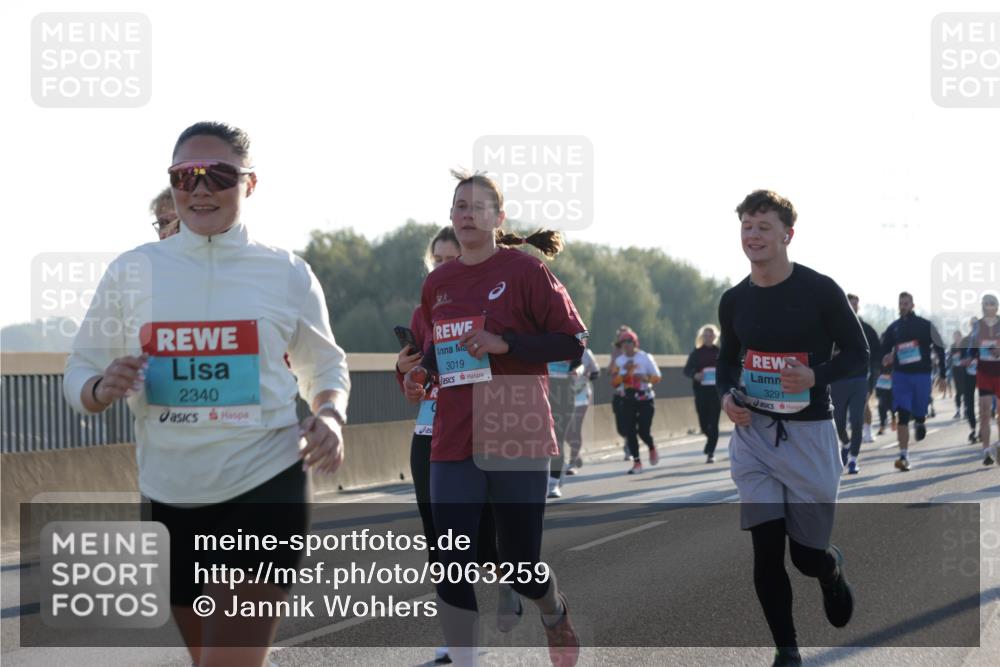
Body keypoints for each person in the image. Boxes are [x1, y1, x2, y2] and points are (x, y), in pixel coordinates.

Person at [64, 122, 350, 667]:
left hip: (265, 480)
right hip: (170, 490)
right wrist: (102, 388)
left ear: (250, 184)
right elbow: (79, 368)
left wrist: (330, 414)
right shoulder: (133, 270)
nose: (199, 189)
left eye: (217, 175)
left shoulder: (287, 272)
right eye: (183, 176)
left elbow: (324, 363)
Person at [402, 170, 586, 667]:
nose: (466, 214)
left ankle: (552, 609)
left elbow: (572, 342)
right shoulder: (438, 283)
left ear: (498, 217)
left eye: (477, 206)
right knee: (451, 558)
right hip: (453, 434)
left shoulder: (525, 272)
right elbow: (438, 354)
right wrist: (422, 377)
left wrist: (506, 344)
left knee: (521, 566)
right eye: (459, 206)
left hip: (516, 426)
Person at [717, 190, 864, 666]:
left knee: (804, 557)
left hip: (809, 436)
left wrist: (816, 375)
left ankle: (829, 568)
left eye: (763, 227)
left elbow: (860, 354)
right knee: (765, 552)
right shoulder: (735, 299)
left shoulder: (820, 290)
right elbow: (725, 362)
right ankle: (787, 650)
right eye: (746, 226)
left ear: (787, 234)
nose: (752, 236)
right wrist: (726, 397)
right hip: (755, 437)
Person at [394, 226, 521, 662]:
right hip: (430, 433)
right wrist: (404, 372)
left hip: (480, 431)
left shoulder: (494, 304)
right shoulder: (423, 311)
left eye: (453, 260)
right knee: (441, 544)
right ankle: (462, 642)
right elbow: (412, 377)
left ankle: (511, 575)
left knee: (483, 540)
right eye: (439, 262)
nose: (446, 269)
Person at [879, 292, 947, 471]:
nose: (903, 306)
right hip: (901, 376)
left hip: (922, 375)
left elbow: (940, 347)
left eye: (906, 303)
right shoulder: (893, 328)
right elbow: (883, 350)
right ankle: (903, 455)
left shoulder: (924, 325)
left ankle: (919, 421)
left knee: (918, 412)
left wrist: (943, 374)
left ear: (913, 305)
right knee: (902, 415)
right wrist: (885, 358)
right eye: (901, 303)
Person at [830, 294, 881, 474]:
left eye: (855, 305)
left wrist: (872, 383)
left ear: (858, 307)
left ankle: (853, 459)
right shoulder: (833, 329)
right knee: (839, 422)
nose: (852, 307)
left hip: (860, 381)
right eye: (849, 304)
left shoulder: (867, 329)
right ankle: (846, 443)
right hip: (838, 382)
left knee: (857, 420)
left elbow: (877, 357)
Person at [612, 329, 662, 474]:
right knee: (630, 431)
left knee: (644, 431)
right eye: (622, 343)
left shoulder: (645, 357)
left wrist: (645, 378)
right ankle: (637, 462)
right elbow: (614, 383)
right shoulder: (619, 361)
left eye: (628, 342)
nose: (625, 346)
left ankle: (651, 447)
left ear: (634, 343)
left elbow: (657, 377)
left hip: (645, 398)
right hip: (627, 399)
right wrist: (625, 373)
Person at [965, 294, 1000, 465]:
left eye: (992, 304)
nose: (988, 307)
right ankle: (986, 450)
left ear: (997, 306)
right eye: (985, 304)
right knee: (985, 413)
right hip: (984, 373)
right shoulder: (978, 326)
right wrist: (970, 357)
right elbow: (971, 349)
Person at [683, 324, 722, 462]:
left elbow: (728, 368)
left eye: (710, 335)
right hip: (701, 391)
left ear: (715, 337)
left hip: (716, 392)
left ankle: (710, 451)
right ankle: (709, 440)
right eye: (705, 335)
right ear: (702, 337)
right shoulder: (696, 353)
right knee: (704, 423)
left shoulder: (720, 352)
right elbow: (687, 370)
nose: (708, 337)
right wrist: (695, 374)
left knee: (714, 421)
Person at [564, 347, 600, 475]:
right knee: (564, 430)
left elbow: (596, 372)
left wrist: (588, 375)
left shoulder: (586, 353)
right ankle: (576, 453)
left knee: (576, 427)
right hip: (563, 394)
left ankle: (572, 462)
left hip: (581, 394)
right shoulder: (559, 350)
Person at [609, 325, 634, 460]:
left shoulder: (637, 353)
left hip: (633, 392)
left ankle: (629, 445)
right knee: (620, 426)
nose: (625, 341)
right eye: (622, 337)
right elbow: (610, 371)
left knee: (630, 420)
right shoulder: (616, 352)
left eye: (628, 338)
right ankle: (627, 439)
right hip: (619, 392)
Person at [874, 364, 895, 436]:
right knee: (882, 404)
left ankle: (893, 421)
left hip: (891, 373)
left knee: (891, 403)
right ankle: (882, 425)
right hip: (881, 377)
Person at [950, 330, 967, 419]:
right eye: (954, 336)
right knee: (958, 392)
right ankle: (958, 411)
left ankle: (965, 410)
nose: (956, 338)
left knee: (964, 391)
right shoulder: (952, 346)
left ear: (960, 336)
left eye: (957, 336)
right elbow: (951, 357)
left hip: (964, 370)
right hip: (956, 370)